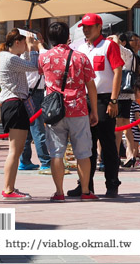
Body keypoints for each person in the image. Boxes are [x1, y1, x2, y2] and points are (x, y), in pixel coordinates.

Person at [38, 21, 99, 201]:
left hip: (54, 111)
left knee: (56, 153)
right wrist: (94, 110)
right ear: (68, 37)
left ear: (50, 38)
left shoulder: (44, 58)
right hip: (78, 109)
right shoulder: (80, 57)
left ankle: (59, 192)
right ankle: (86, 191)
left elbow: (41, 72)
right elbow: (91, 86)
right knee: (83, 153)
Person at [68, 13, 124, 199]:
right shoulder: (80, 48)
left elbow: (117, 72)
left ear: (99, 26)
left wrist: (114, 100)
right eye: (84, 26)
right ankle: (85, 185)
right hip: (84, 100)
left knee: (107, 144)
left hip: (104, 99)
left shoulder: (109, 45)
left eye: (90, 26)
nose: (86, 29)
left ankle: (112, 184)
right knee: (86, 146)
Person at [0, 29, 41, 199]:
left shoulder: (6, 57)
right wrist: (33, 49)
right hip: (15, 105)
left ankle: (10, 187)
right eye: (23, 42)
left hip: (13, 105)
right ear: (17, 42)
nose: (26, 45)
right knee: (15, 151)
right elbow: (33, 67)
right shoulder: (10, 58)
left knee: (16, 150)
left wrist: (28, 48)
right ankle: (8, 189)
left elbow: (25, 64)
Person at [19, 30, 51, 173]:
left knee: (29, 130)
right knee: (38, 129)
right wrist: (34, 47)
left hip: (28, 93)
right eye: (38, 38)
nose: (41, 40)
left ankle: (24, 161)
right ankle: (45, 161)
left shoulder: (22, 55)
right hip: (35, 94)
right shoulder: (32, 55)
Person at [108, 33, 135, 166]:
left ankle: (117, 154)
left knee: (119, 125)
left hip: (119, 92)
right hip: (127, 93)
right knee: (125, 124)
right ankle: (130, 154)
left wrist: (113, 39)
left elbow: (116, 46)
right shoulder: (129, 54)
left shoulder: (126, 52)